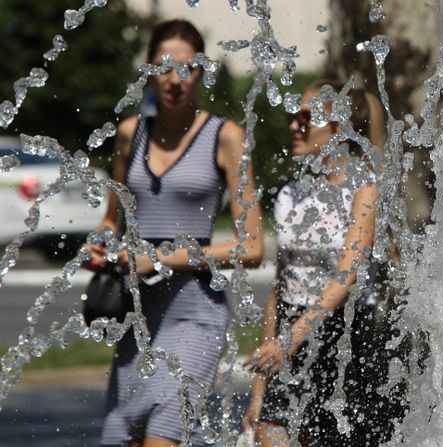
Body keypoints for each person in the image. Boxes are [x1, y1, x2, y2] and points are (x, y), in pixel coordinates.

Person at [83, 19, 263, 447]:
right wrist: (102, 245)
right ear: (147, 69)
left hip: (197, 312)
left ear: (201, 72)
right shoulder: (130, 135)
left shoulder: (226, 136)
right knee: (123, 434)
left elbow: (251, 247)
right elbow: (113, 219)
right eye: (164, 66)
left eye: (187, 67)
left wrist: (158, 259)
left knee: (163, 434)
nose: (175, 79)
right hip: (140, 312)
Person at [242, 82, 386, 446]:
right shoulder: (291, 195)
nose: (294, 126)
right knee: (269, 434)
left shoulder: (363, 187)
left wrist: (292, 338)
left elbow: (347, 274)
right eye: (292, 117)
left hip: (346, 340)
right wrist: (259, 389)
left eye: (306, 117)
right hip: (290, 334)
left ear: (339, 125)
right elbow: (279, 290)